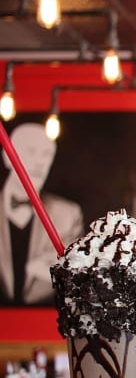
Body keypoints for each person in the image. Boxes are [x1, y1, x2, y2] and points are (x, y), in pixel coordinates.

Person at [0, 122, 84, 305]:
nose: (40, 162)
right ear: (7, 157)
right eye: (31, 151)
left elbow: (72, 273)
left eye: (46, 155)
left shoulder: (68, 215)